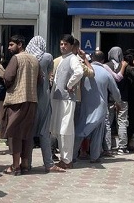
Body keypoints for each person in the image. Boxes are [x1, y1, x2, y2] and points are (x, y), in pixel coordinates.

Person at [25, 36, 65, 173]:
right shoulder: (47, 57)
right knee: (44, 132)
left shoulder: (26, 58)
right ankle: (48, 163)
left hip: (29, 98)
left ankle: (26, 163)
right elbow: (49, 76)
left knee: (29, 133)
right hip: (43, 98)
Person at [74, 51, 121, 163]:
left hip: (84, 106)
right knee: (97, 132)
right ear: (103, 61)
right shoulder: (106, 73)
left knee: (81, 130)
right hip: (100, 107)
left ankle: (71, 156)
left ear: (93, 58)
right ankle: (94, 157)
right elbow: (115, 91)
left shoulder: (85, 70)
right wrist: (118, 102)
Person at [1, 35, 39, 175]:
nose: (9, 48)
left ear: (20, 44)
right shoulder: (35, 59)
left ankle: (15, 166)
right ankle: (25, 164)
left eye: (11, 45)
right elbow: (40, 79)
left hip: (17, 100)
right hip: (32, 100)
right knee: (27, 134)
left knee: (15, 133)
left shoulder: (16, 59)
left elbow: (8, 77)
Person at [50, 34, 84, 169]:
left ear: (71, 46)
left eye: (65, 44)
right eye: (61, 44)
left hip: (67, 99)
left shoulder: (73, 59)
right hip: (58, 98)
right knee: (58, 130)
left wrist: (70, 85)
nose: (62, 47)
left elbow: (79, 72)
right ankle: (64, 158)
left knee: (66, 130)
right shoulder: (63, 59)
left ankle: (67, 160)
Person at [105, 46, 130, 154]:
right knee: (122, 122)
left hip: (109, 99)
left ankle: (107, 147)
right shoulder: (125, 66)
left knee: (107, 123)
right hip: (122, 99)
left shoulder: (106, 66)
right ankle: (122, 147)